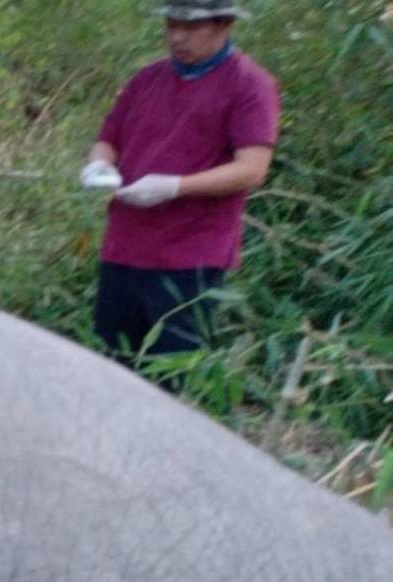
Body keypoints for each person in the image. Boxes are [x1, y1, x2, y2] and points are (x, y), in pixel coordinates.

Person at [81, 0, 278, 363]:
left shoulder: (249, 84)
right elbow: (108, 138)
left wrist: (175, 186)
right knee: (110, 362)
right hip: (125, 245)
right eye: (171, 25)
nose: (176, 36)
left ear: (224, 25)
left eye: (190, 27)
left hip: (190, 257)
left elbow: (252, 168)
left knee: (172, 374)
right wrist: (99, 165)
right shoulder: (148, 79)